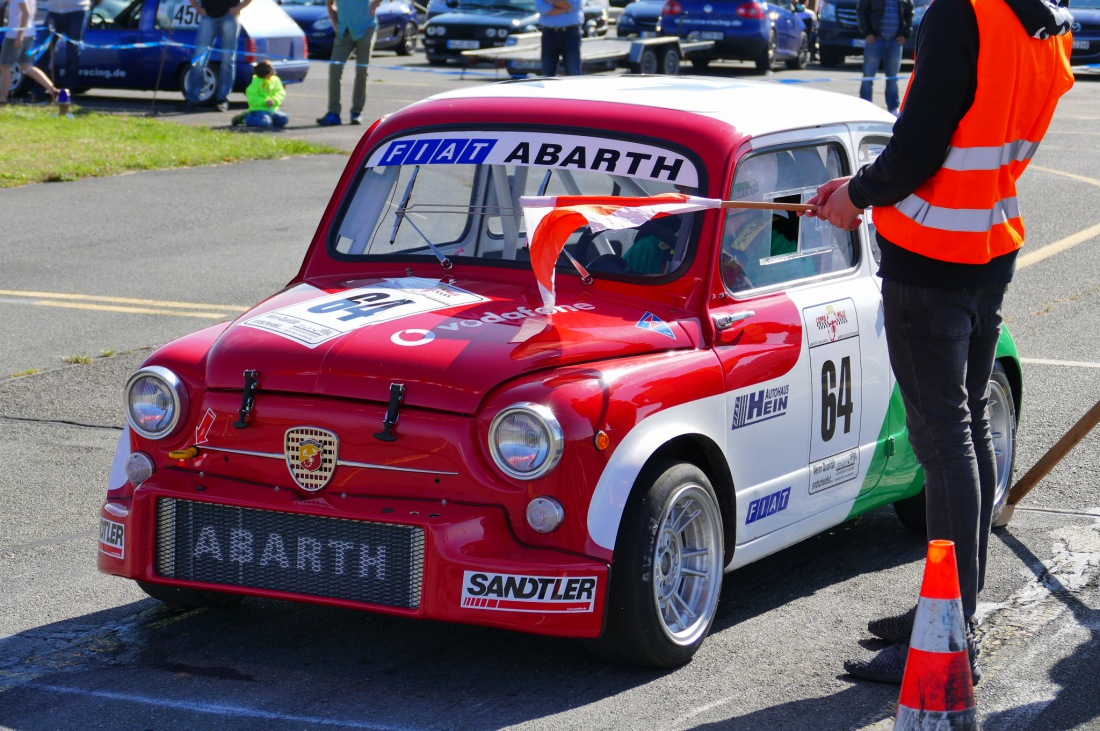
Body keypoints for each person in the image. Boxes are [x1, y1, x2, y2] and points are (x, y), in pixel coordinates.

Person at [805, 0, 1074, 685]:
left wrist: (857, 194)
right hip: (989, 241)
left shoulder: (964, 13)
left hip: (933, 252)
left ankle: (951, 627)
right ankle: (949, 609)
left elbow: (922, 143)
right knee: (967, 427)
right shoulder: (1042, 15)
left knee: (945, 436)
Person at [316, 0, 381, 127]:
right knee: (335, 69)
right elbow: (329, 3)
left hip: (366, 28)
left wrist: (375, 3)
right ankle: (333, 113)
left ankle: (356, 112)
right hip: (344, 30)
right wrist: (335, 23)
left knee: (362, 71)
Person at [182, 0, 253, 112]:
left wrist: (238, 8)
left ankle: (222, 99)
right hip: (208, 16)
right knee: (199, 59)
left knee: (227, 60)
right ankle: (192, 98)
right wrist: (198, 8)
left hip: (229, 17)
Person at [856, 0, 912, 115]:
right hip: (875, 40)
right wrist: (867, 32)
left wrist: (905, 34)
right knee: (868, 76)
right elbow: (862, 11)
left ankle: (893, 107)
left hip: (895, 42)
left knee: (892, 77)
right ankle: (865, 107)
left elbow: (909, 13)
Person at [0, 0, 60, 104]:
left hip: (15, 35)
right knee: (27, 66)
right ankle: (52, 89)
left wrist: (20, 36)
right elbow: (33, 12)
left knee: (5, 67)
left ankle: (2, 98)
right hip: (30, 33)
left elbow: (26, 13)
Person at [46, 0, 94, 91]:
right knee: (44, 51)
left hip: (77, 10)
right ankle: (38, 93)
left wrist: (91, 6)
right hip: (53, 10)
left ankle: (67, 92)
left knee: (73, 53)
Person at [232, 60, 287, 129]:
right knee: (264, 123)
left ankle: (269, 119)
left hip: (272, 110)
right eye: (271, 69)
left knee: (283, 119)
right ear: (266, 74)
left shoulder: (276, 80)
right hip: (258, 110)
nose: (274, 70)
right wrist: (265, 101)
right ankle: (246, 118)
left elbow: (281, 92)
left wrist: (274, 100)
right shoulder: (256, 83)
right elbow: (252, 98)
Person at [535, 0, 583, 77]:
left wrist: (551, 1)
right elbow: (541, 7)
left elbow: (574, 4)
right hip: (549, 34)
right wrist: (565, 9)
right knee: (547, 73)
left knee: (573, 71)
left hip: (570, 34)